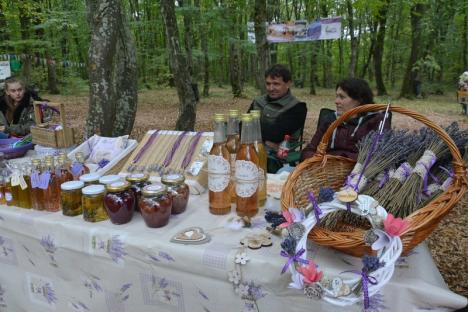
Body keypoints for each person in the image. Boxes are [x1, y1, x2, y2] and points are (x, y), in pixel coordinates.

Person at [300, 78, 391, 161]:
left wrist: (340, 159)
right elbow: (308, 150)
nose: (336, 101)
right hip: (324, 173)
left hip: (358, 175)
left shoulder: (376, 121)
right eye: (337, 96)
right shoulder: (330, 120)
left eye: (342, 97)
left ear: (359, 99)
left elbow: (379, 156)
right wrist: (317, 161)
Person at [248, 64, 307, 172]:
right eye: (268, 84)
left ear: (288, 83)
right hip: (250, 150)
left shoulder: (297, 107)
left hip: (276, 158)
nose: (271, 88)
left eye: (276, 84)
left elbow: (275, 134)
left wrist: (253, 128)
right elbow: (242, 126)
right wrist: (267, 140)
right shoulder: (258, 102)